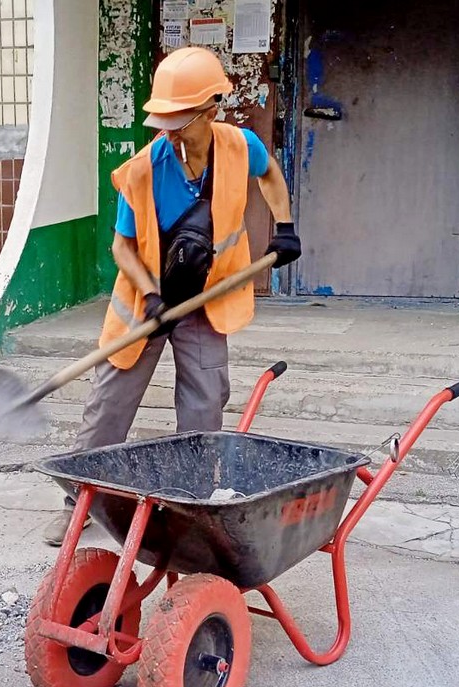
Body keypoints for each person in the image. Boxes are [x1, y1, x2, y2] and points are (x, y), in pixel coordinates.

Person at [44, 46, 301, 545]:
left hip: (207, 297)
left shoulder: (239, 146)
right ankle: (79, 503)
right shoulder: (144, 170)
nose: (172, 131)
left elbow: (269, 174)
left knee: (205, 404)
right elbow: (122, 246)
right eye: (166, 120)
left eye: (182, 120)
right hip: (147, 300)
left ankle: (192, 506)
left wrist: (285, 225)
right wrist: (152, 297)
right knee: (109, 404)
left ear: (211, 110)